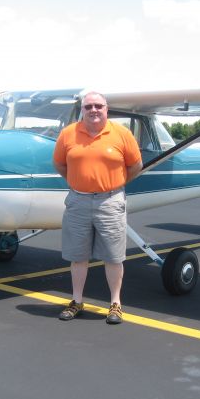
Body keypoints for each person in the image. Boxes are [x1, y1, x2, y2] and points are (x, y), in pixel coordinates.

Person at [53, 91, 143, 324]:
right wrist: (79, 183)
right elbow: (60, 164)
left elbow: (135, 166)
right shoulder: (68, 134)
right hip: (78, 200)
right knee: (77, 255)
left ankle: (115, 304)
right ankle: (76, 301)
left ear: (106, 108)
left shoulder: (122, 134)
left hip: (110, 201)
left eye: (98, 106)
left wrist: (114, 185)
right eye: (88, 106)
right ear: (82, 110)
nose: (93, 110)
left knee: (113, 256)